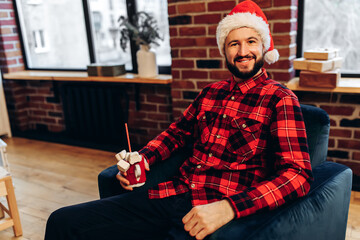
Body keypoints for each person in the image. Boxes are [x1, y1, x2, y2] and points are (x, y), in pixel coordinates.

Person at [45, 1, 313, 239]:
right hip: (170, 195)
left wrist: (230, 208)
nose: (243, 51)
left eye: (251, 41)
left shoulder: (280, 98)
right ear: (225, 51)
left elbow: (298, 175)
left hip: (212, 214)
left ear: (263, 46)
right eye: (234, 43)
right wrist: (142, 159)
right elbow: (176, 134)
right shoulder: (210, 93)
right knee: (62, 221)